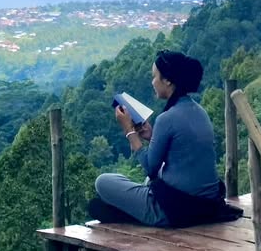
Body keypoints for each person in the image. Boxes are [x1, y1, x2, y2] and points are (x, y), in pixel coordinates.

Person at [89, 50, 243, 228]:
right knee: (149, 183)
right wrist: (152, 136)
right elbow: (182, 152)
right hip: (206, 205)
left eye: (155, 76)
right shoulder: (200, 111)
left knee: (103, 182)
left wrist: (129, 131)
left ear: (168, 81)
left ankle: (137, 213)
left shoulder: (167, 118)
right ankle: (133, 209)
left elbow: (150, 168)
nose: (152, 82)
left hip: (174, 210)